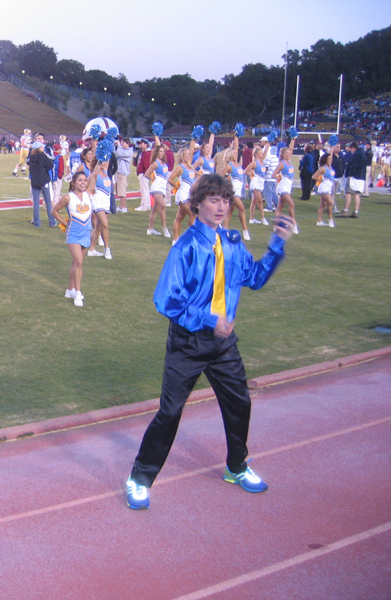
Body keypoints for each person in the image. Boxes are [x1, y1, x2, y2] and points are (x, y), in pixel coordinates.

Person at [124, 174, 294, 511]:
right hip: (188, 344)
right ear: (198, 203)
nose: (221, 206)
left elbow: (255, 278)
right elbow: (165, 299)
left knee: (240, 404)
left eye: (226, 200)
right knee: (170, 412)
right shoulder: (185, 246)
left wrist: (276, 243)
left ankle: (236, 466)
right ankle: (139, 480)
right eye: (214, 199)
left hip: (223, 346)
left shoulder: (232, 242)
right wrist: (208, 318)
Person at [51, 169, 99, 307]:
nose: (83, 182)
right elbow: (54, 211)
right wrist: (65, 222)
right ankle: (78, 293)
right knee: (78, 262)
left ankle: (69, 289)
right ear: (73, 182)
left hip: (86, 233)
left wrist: (102, 160)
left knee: (76, 263)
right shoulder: (68, 197)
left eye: (85, 180)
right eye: (80, 180)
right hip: (73, 233)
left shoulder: (88, 194)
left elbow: (94, 174)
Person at [167, 141, 197, 244]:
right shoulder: (180, 167)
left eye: (189, 154)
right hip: (183, 195)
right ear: (181, 156)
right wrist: (178, 186)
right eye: (186, 154)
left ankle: (175, 240)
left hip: (190, 195)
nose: (188, 156)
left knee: (179, 218)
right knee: (193, 214)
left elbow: (192, 149)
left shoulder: (190, 166)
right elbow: (170, 179)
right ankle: (192, 238)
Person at [221, 143, 250, 240]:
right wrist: (227, 182)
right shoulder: (229, 166)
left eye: (236, 152)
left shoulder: (238, 164)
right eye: (233, 153)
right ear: (230, 154)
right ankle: (245, 231)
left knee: (229, 212)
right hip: (233, 192)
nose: (236, 154)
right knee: (241, 208)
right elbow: (221, 176)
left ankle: (223, 231)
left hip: (238, 191)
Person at [144, 135, 171, 238]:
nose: (162, 153)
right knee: (163, 206)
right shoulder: (155, 163)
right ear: (156, 153)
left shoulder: (163, 162)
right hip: (157, 187)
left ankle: (150, 229)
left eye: (163, 151)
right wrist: (153, 179)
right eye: (160, 152)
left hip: (162, 187)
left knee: (155, 208)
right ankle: (165, 228)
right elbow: (147, 173)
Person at [27, 141, 57, 228]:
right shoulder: (42, 155)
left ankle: (37, 223)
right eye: (42, 147)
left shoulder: (32, 157)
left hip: (34, 181)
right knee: (48, 201)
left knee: (36, 203)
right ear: (39, 148)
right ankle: (52, 221)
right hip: (44, 180)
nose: (43, 148)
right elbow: (50, 164)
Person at [271, 138, 299, 233]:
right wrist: (279, 178)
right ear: (283, 154)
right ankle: (294, 224)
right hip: (282, 187)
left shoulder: (289, 162)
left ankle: (276, 226)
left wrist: (293, 139)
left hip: (288, 187)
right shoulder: (281, 163)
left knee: (280, 207)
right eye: (287, 153)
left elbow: (291, 148)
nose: (289, 154)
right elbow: (273, 175)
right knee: (291, 204)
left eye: (289, 153)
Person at [245, 147, 270, 226]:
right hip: (256, 182)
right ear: (256, 154)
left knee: (254, 202)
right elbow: (245, 171)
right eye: (260, 152)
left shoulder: (262, 161)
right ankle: (263, 219)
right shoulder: (254, 163)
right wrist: (252, 174)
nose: (262, 153)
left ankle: (251, 219)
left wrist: (268, 144)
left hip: (261, 182)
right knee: (260, 201)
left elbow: (265, 152)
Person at [343, 142, 368, 218]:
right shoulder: (363, 154)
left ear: (353, 148)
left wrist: (350, 174)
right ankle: (356, 211)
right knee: (357, 195)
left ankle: (345, 211)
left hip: (354, 177)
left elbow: (353, 165)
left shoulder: (356, 154)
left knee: (348, 193)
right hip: (361, 177)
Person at [313, 153, 336, 228]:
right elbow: (314, 176)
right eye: (329, 158)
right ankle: (330, 220)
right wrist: (321, 179)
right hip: (324, 188)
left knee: (323, 204)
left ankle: (319, 221)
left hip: (329, 188)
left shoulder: (330, 167)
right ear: (325, 159)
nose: (330, 160)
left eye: (331, 158)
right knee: (331, 203)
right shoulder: (323, 168)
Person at [114, 137, 133, 213]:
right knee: (120, 191)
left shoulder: (129, 151)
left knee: (122, 192)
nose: (122, 144)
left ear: (127, 144)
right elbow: (116, 154)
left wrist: (118, 145)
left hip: (123, 173)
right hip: (119, 172)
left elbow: (120, 154)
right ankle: (121, 206)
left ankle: (123, 207)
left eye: (123, 143)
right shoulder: (122, 150)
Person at [135, 139, 152, 211]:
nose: (140, 145)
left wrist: (145, 173)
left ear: (146, 144)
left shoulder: (147, 153)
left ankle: (144, 206)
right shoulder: (143, 152)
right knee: (145, 190)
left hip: (144, 174)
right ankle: (147, 205)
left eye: (141, 143)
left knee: (144, 190)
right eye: (139, 144)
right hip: (143, 173)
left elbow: (147, 165)